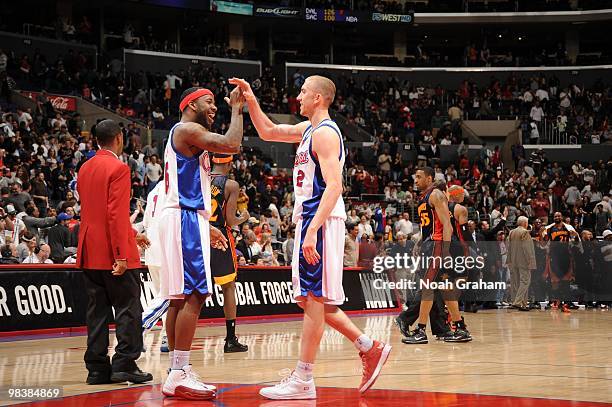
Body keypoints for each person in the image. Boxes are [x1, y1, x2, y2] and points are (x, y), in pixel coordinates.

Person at [231, 75, 391, 400]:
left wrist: (313, 229)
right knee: (311, 300)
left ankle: (303, 378)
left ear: (318, 97)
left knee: (314, 300)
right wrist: (249, 100)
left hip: (318, 219)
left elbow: (335, 186)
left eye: (303, 92)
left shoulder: (326, 134)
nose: (298, 97)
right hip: (311, 219)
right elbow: (269, 132)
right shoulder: (309, 131)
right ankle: (369, 347)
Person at [159, 86, 244, 401]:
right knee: (195, 294)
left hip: (185, 216)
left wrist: (205, 225)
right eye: (209, 102)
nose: (214, 108)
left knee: (179, 298)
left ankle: (176, 370)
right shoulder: (187, 129)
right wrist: (237, 109)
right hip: (184, 217)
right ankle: (179, 372)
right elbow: (232, 143)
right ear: (191, 104)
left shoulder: (185, 136)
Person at [76, 119, 152, 385]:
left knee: (96, 312)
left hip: (89, 251)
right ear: (119, 138)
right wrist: (122, 253)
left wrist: (132, 234)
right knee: (128, 309)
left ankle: (96, 369)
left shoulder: (84, 168)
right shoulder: (119, 168)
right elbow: (115, 214)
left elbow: (94, 212)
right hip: (113, 253)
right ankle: (125, 364)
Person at [402, 168, 472, 345]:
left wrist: (446, 250)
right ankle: (460, 327)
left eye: (419, 177)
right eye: (414, 177)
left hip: (437, 245)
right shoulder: (424, 198)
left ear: (429, 178)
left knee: (427, 288)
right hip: (430, 244)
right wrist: (419, 243)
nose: (415, 180)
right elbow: (427, 227)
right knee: (445, 288)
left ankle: (420, 330)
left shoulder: (436, 195)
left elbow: (447, 225)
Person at [210, 153, 250, 353]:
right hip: (219, 237)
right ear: (230, 162)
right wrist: (244, 216)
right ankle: (230, 339)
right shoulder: (231, 185)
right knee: (228, 288)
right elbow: (231, 220)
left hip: (199, 234)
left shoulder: (200, 177)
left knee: (195, 290)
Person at [140, 180, 170, 352]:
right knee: (169, 295)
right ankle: (140, 325)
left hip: (151, 249)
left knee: (163, 297)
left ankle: (166, 336)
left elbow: (145, 223)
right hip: (166, 248)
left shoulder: (153, 192)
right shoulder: (174, 187)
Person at [507, 216, 536, 311]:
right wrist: (530, 261)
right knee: (525, 281)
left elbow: (508, 246)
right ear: (524, 223)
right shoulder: (525, 232)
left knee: (516, 283)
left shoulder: (511, 232)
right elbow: (527, 248)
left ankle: (523, 304)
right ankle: (518, 302)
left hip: (513, 260)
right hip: (524, 261)